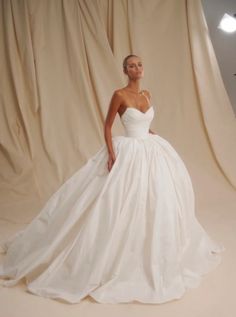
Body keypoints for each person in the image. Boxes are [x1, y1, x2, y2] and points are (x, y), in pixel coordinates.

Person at [0, 54, 225, 304]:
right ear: (125, 70)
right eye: (131, 65)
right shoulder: (119, 95)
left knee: (155, 198)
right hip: (127, 150)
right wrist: (111, 152)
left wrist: (149, 133)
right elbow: (108, 126)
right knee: (114, 200)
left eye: (139, 64)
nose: (136, 68)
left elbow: (144, 121)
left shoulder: (147, 94)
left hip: (150, 148)